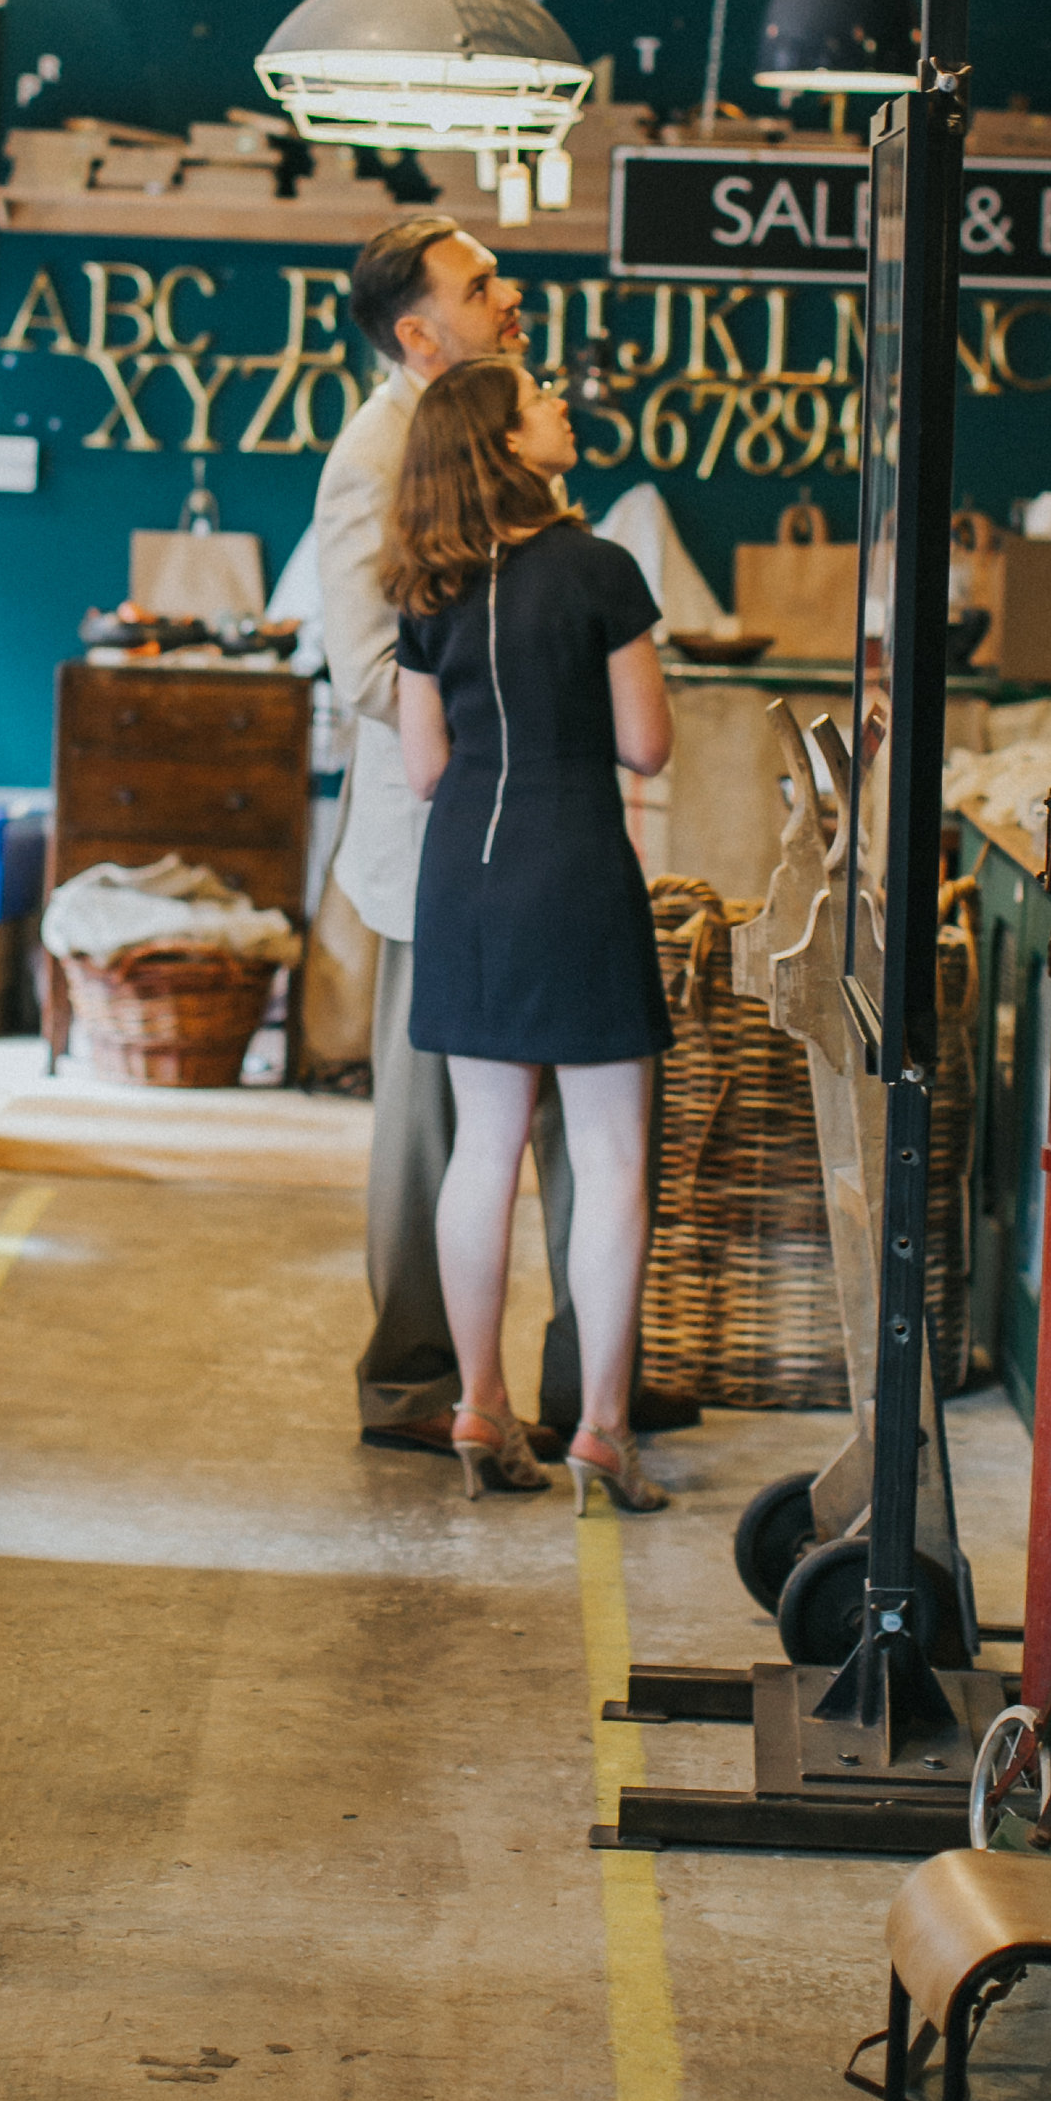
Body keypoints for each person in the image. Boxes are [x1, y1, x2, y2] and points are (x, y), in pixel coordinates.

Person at [385, 356, 675, 1514]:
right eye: (539, 401)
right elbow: (648, 743)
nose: (561, 407)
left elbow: (423, 769)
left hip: (463, 872)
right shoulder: (601, 569)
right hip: (575, 863)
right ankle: (602, 1428)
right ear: (508, 444)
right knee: (607, 1157)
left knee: (481, 1149)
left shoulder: (426, 587)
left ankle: (480, 1404)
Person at [316, 218, 582, 1454]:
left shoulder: (510, 422)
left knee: (588, 1104)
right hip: (440, 838)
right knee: (431, 1130)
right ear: (417, 333)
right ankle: (411, 1385)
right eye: (482, 288)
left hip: (549, 832)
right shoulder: (374, 455)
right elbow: (364, 665)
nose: (510, 296)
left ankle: (593, 1376)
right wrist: (502, 701)